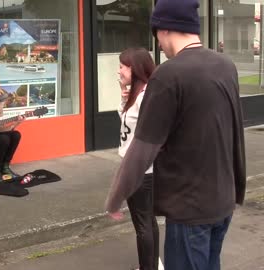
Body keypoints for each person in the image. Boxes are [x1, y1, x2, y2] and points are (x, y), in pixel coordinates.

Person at [105, 0, 246, 270]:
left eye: (156, 33)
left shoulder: (168, 75)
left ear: (167, 29)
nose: (157, 43)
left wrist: (116, 196)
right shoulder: (225, 65)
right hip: (223, 201)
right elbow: (235, 129)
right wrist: (237, 188)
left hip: (189, 208)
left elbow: (143, 148)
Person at [112, 48, 159, 270]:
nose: (118, 70)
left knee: (143, 224)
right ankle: (152, 265)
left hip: (140, 169)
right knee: (147, 221)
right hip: (136, 167)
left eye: (122, 66)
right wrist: (123, 92)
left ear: (135, 68)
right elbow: (126, 124)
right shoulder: (137, 94)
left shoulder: (146, 96)